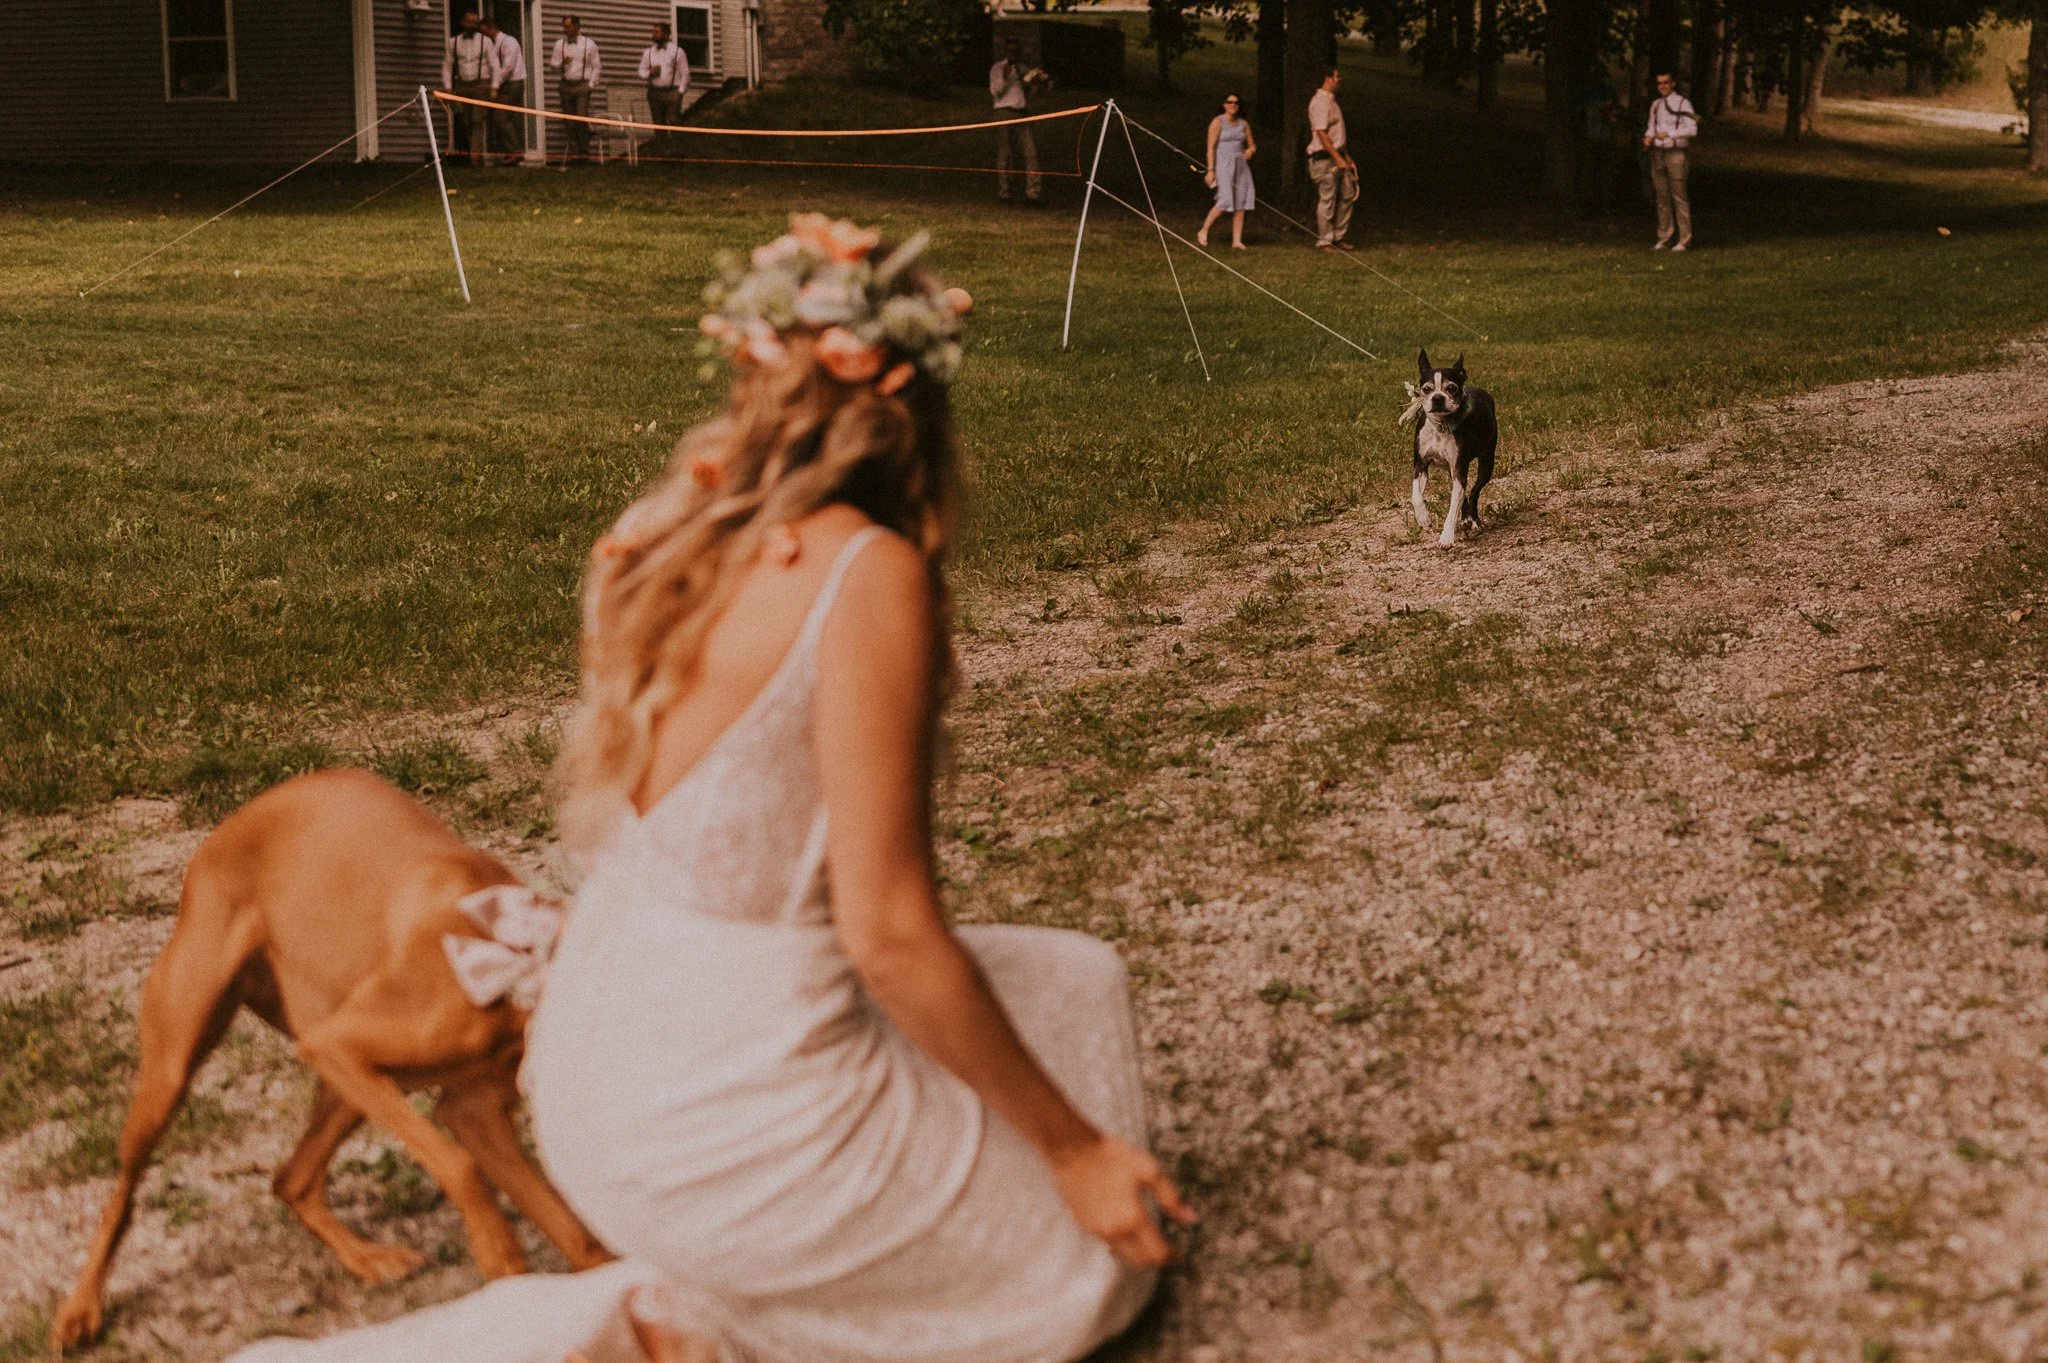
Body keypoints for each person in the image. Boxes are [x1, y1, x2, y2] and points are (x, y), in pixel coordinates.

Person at [224, 213, 1190, 1363]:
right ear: (909, 400)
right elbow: (887, 933)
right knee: (1075, 1281)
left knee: (1067, 979)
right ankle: (685, 1315)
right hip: (722, 1116)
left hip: (585, 1060)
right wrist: (1074, 1153)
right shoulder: (863, 575)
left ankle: (716, 1285)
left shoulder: (652, 533)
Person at [1643, 71, 1698, 251]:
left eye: (1666, 83)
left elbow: (1692, 129)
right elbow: (1652, 126)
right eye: (1660, 83)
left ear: (1673, 83)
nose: (1663, 86)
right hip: (1658, 153)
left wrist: (1670, 134)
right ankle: (1664, 236)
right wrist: (1648, 137)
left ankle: (1684, 239)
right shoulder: (1656, 105)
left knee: (1679, 195)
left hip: (1676, 153)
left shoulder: (1683, 103)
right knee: (1661, 196)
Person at [1307, 66, 1359, 251]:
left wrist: (1347, 157)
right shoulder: (1321, 101)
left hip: (1337, 156)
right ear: (1328, 79)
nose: (1340, 80)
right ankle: (1324, 240)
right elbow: (1321, 133)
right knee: (1328, 199)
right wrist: (1337, 158)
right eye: (1337, 76)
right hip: (1324, 159)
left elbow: (1336, 135)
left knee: (1348, 194)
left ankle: (1338, 236)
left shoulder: (1332, 101)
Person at [989, 39, 1045, 206]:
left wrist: (1036, 82)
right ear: (1005, 52)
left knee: (1031, 152)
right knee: (1005, 153)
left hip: (1022, 113)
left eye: (1016, 51)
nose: (1013, 54)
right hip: (1004, 112)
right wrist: (1009, 76)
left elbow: (1030, 93)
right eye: (1010, 51)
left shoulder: (1023, 69)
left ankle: (1033, 194)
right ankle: (1005, 192)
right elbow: (997, 92)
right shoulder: (997, 68)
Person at [1199, 93, 1257, 250]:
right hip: (1224, 165)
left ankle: (1236, 240)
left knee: (1241, 201)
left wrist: (1250, 151)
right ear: (1224, 105)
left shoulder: (1244, 124)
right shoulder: (1218, 122)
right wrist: (1210, 170)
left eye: (1236, 103)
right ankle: (1204, 230)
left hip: (1241, 166)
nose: (1233, 105)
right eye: (1230, 102)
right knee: (1225, 200)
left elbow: (1252, 145)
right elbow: (1210, 148)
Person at [441, 10, 493, 167]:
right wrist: (448, 87)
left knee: (477, 120)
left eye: (475, 23)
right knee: (465, 121)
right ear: (463, 23)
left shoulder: (486, 41)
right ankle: (470, 156)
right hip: (462, 85)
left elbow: (494, 65)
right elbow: (447, 66)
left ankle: (475, 159)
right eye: (469, 22)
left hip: (480, 84)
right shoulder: (453, 42)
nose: (472, 25)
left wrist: (494, 86)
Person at [550, 15, 602, 163]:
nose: (565, 29)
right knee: (569, 121)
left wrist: (590, 85)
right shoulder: (560, 44)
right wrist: (561, 63)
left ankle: (585, 152)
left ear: (577, 27)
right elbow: (553, 65)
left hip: (582, 85)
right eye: (564, 26)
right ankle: (574, 154)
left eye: (567, 26)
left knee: (580, 118)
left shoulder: (589, 44)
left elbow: (597, 67)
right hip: (566, 85)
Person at [482, 15, 526, 166]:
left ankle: (515, 152)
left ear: (492, 28)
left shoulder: (508, 42)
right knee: (502, 119)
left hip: (512, 84)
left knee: (501, 118)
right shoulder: (493, 44)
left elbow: (508, 68)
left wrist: (495, 83)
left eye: (485, 31)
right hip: (504, 85)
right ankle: (510, 152)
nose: (483, 35)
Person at [638, 23, 689, 131]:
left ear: (666, 35)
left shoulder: (677, 51)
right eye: (653, 32)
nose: (654, 34)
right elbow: (641, 71)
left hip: (672, 92)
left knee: (674, 123)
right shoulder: (649, 52)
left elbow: (685, 74)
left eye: (657, 32)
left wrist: (680, 92)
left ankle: (675, 147)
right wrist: (650, 73)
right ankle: (661, 147)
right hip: (654, 92)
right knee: (658, 124)